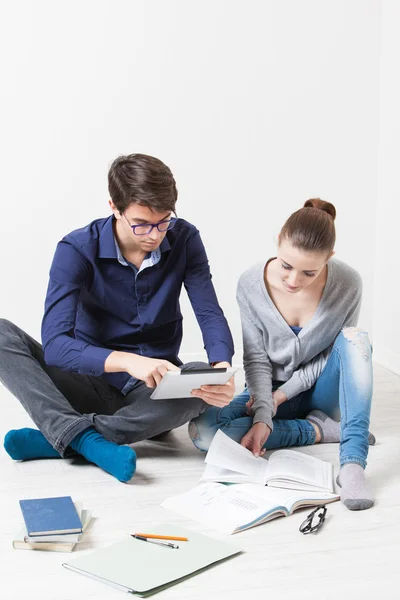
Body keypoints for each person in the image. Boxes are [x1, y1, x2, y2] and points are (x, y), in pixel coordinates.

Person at [0, 153, 235, 482]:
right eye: (141, 223)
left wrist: (222, 370)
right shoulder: (76, 249)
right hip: (84, 381)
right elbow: (55, 346)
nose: (154, 235)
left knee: (200, 376)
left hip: (152, 390)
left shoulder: (185, 238)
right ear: (114, 207)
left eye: (164, 221)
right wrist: (126, 361)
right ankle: (86, 439)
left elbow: (208, 312)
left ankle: (65, 436)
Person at [189, 199, 375, 511]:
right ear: (278, 241)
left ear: (329, 259)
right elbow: (256, 358)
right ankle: (319, 430)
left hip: (321, 391)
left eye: (309, 273)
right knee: (204, 433)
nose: (293, 281)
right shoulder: (251, 283)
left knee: (357, 340)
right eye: (287, 266)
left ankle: (353, 461)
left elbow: (333, 353)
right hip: (267, 389)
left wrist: (282, 397)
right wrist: (264, 411)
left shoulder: (348, 283)